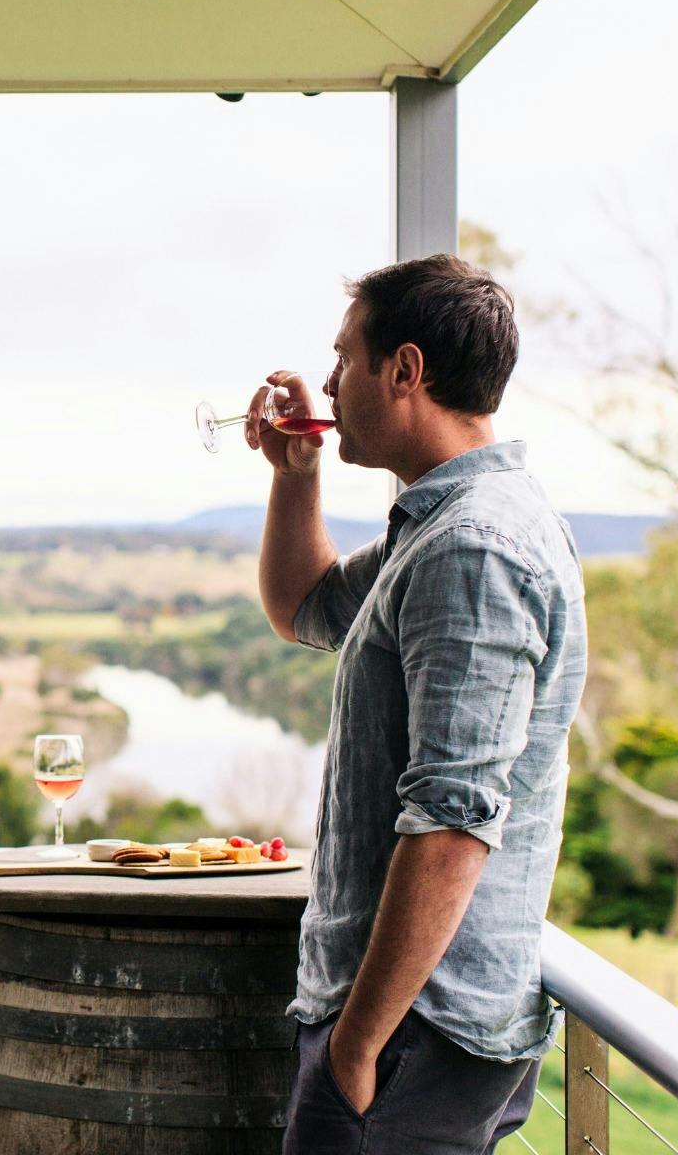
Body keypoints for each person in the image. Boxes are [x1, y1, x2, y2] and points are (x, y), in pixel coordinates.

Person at [250, 255, 587, 1154]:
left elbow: (452, 819)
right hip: (398, 1026)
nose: (328, 384)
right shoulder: (442, 524)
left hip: (411, 1032)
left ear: (404, 370)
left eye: (343, 358)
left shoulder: (473, 546)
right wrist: (296, 472)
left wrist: (357, 1049)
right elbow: (306, 607)